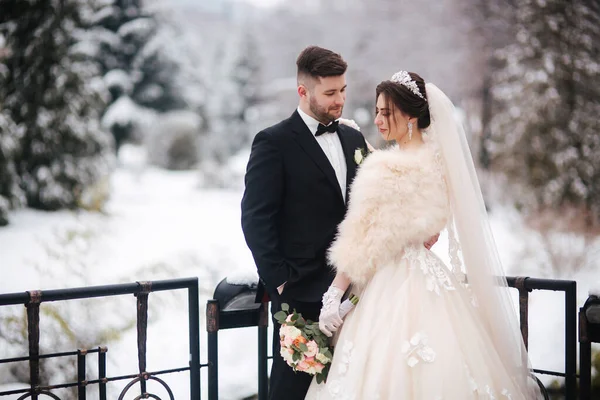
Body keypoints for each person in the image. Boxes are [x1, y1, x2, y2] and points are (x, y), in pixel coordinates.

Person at [304, 71, 542, 399]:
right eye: (377, 111)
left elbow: (365, 239)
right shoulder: (438, 165)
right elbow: (425, 222)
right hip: (430, 278)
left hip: (388, 286)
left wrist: (334, 294)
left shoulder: (384, 170)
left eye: (386, 112)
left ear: (411, 115)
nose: (379, 119)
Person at [240, 46, 369, 400]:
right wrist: (281, 282)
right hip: (300, 295)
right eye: (330, 93)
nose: (339, 100)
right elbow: (255, 219)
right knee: (289, 392)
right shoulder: (273, 142)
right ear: (303, 91)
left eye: (343, 90)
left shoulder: (353, 138)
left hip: (354, 293)